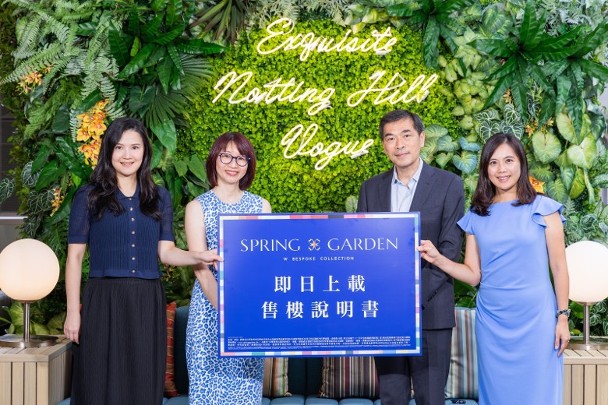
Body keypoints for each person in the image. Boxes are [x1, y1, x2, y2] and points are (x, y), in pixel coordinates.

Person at [63, 117, 221, 405]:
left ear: (145, 152)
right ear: (109, 151)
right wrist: (73, 312)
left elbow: (166, 252)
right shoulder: (88, 196)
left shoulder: (158, 197)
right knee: (97, 379)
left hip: (147, 300)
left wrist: (198, 255)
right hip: (103, 300)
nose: (127, 155)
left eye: (135, 147)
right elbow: (74, 258)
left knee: (143, 379)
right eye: (119, 147)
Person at [418, 132, 570, 404]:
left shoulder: (544, 208)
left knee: (539, 393)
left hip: (537, 318)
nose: (502, 170)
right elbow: (473, 275)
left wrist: (562, 317)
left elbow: (559, 268)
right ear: (485, 169)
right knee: (498, 394)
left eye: (509, 161)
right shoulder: (477, 214)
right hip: (492, 321)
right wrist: (438, 258)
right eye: (494, 162)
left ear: (521, 163)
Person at [357, 109, 465, 405]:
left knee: (431, 398)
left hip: (431, 311)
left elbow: (449, 248)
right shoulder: (371, 188)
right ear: (384, 146)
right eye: (390, 138)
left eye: (406, 135)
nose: (399, 144)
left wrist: (412, 300)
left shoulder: (448, 184)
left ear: (421, 138)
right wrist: (388, 301)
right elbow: (362, 251)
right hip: (385, 313)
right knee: (391, 396)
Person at [184, 131, 271, 404]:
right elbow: (200, 269)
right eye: (226, 156)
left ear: (249, 164)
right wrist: (228, 313)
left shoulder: (261, 206)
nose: (234, 164)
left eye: (241, 158)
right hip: (209, 314)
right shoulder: (197, 207)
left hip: (248, 314)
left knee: (246, 394)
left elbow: (263, 267)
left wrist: (245, 315)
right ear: (214, 159)